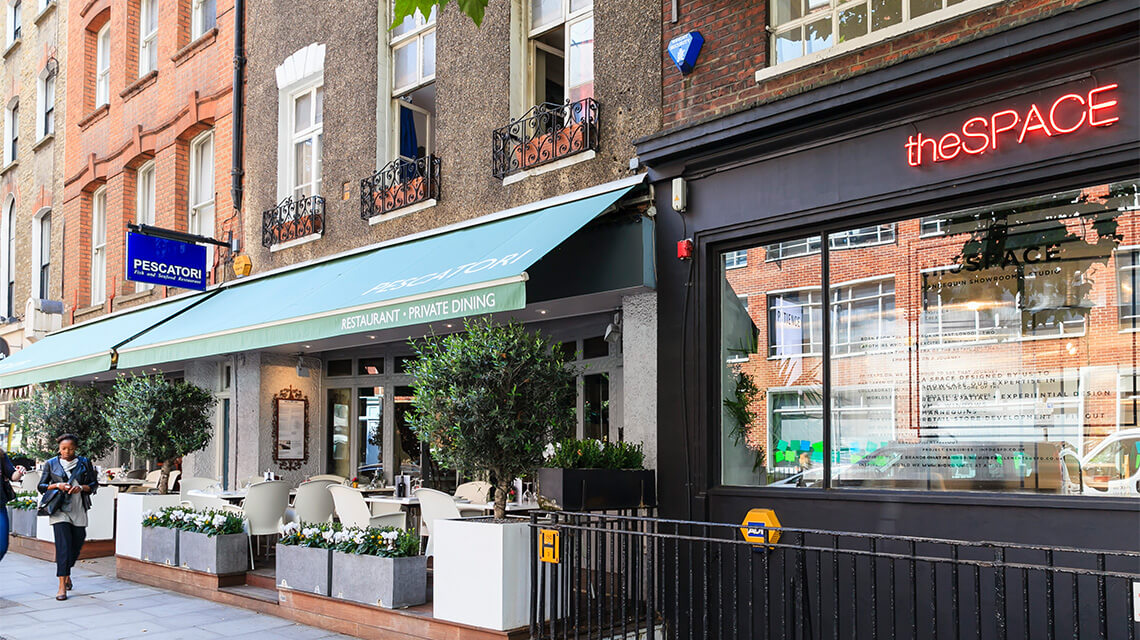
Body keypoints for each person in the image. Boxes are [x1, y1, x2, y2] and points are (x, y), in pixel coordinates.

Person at [37, 433, 98, 601]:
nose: (67, 452)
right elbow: (41, 486)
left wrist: (82, 487)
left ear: (76, 448)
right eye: (64, 448)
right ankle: (61, 586)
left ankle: (67, 571)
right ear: (59, 448)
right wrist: (57, 485)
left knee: (77, 542)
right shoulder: (50, 463)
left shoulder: (85, 463)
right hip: (59, 509)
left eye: (71, 448)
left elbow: (94, 485)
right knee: (63, 545)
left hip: (78, 508)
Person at [0, 446, 28, 563]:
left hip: (0, 506)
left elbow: (12, 476)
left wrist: (19, 472)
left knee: (2, 545)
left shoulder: (1, 455)